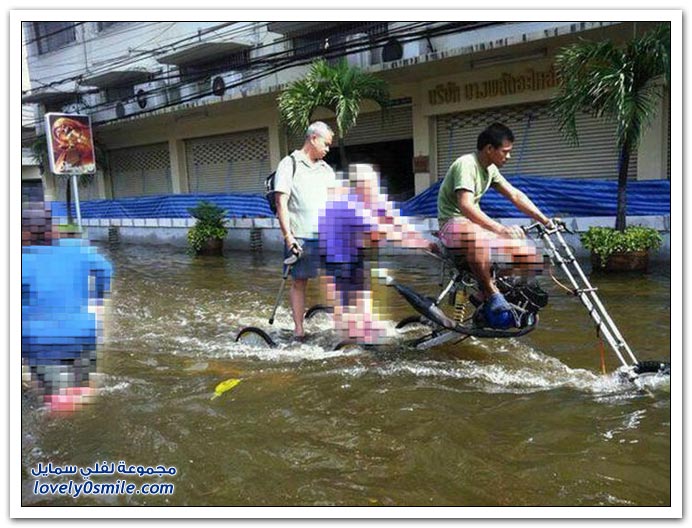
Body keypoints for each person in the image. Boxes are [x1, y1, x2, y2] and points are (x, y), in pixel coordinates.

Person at [436, 122, 553, 328]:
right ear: (489, 148)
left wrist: (545, 220)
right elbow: (465, 205)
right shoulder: (466, 164)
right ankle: (492, 294)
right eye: (505, 152)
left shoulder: (490, 169)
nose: (509, 157)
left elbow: (515, 195)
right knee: (475, 235)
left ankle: (484, 294)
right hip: (452, 224)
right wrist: (501, 230)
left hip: (472, 227)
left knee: (530, 255)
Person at [319, 164, 432, 345]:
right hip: (335, 253)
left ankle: (365, 330)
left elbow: (394, 219)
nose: (374, 188)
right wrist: (419, 244)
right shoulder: (350, 204)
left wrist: (421, 239)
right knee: (347, 299)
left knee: (363, 292)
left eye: (374, 184)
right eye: (369, 185)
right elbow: (381, 230)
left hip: (355, 249)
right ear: (358, 186)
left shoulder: (373, 197)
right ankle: (344, 339)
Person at [22, 201, 113, 412]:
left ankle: (59, 411)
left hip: (40, 342)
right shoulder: (76, 248)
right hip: (83, 334)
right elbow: (106, 269)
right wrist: (97, 299)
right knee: (82, 389)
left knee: (56, 400)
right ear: (52, 226)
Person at [274, 121, 336, 340]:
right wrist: (288, 237)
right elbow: (281, 202)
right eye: (326, 144)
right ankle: (299, 329)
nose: (328, 149)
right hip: (300, 236)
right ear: (313, 138)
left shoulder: (326, 169)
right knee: (299, 281)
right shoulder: (289, 164)